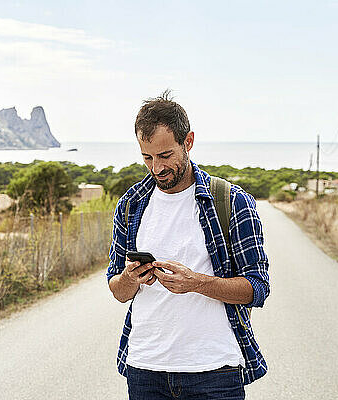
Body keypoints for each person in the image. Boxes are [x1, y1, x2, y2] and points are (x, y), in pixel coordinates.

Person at [106, 91, 270, 399]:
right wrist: (129, 279)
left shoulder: (232, 202)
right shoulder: (130, 204)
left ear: (188, 141)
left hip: (213, 372)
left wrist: (195, 283)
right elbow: (116, 289)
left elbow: (257, 289)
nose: (156, 168)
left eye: (165, 156)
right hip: (144, 371)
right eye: (147, 157)